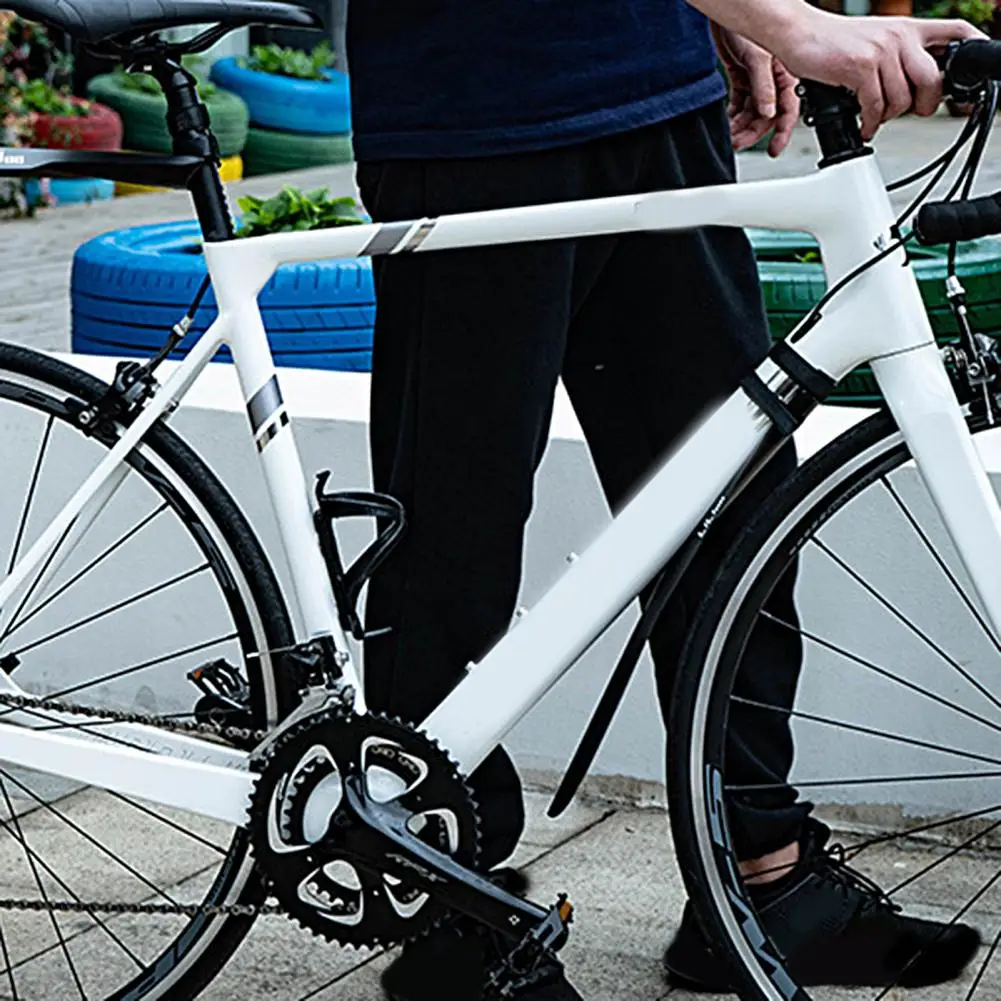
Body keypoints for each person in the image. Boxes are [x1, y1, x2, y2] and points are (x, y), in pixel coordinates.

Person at [346, 1, 985, 998]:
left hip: (653, 93)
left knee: (735, 506)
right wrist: (784, 19)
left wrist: (717, 21)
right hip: (477, 111)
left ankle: (757, 876)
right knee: (452, 537)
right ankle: (447, 902)